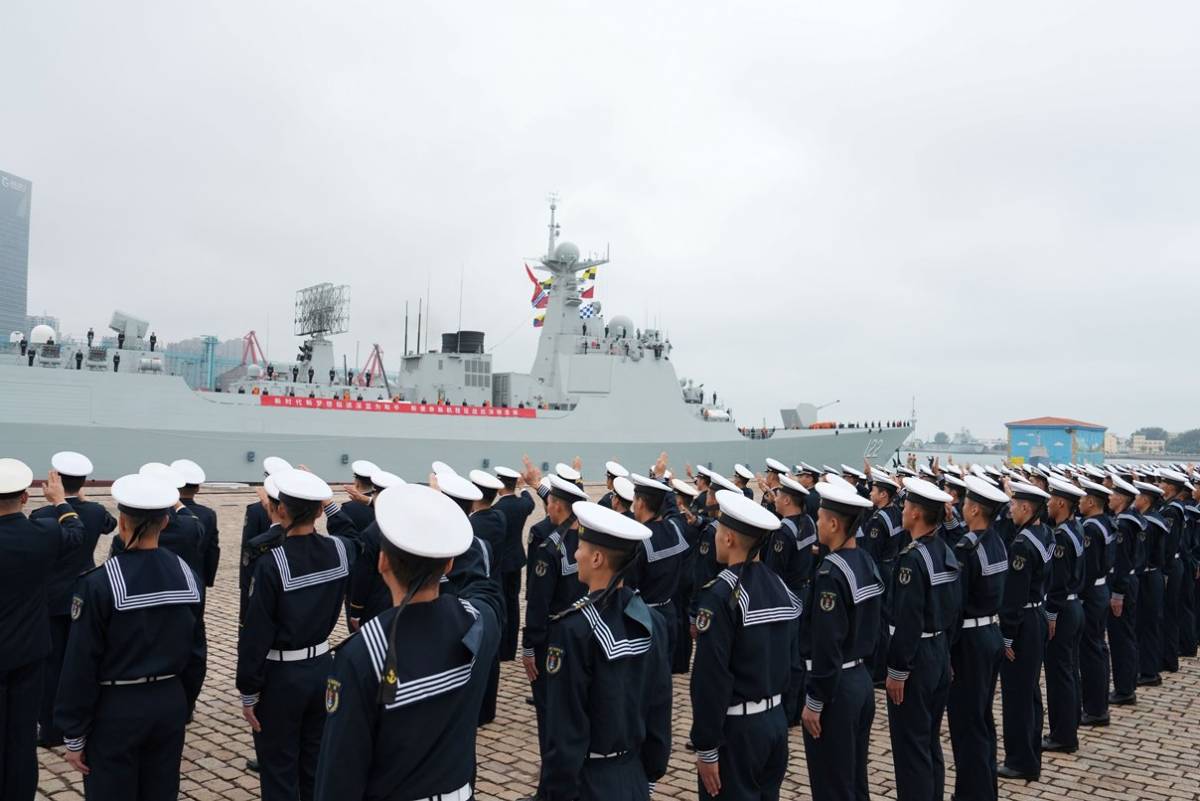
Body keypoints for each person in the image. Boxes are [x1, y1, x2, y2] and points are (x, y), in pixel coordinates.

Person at [313, 483, 502, 801]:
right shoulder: (480, 621)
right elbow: (483, 586)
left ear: (382, 562)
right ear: (449, 564)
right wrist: (442, 519)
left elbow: (340, 773)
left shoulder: (364, 654)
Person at [55, 472, 204, 801]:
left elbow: (81, 661)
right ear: (165, 523)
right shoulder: (188, 576)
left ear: (122, 522)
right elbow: (197, 653)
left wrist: (74, 731)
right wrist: (183, 701)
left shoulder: (98, 583)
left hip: (117, 708)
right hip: (169, 700)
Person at [237, 469, 356, 801]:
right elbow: (354, 534)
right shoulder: (341, 550)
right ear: (319, 511)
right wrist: (331, 505)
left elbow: (255, 633)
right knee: (314, 763)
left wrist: (248, 689)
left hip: (281, 677)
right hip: (323, 667)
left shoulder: (272, 563)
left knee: (278, 769)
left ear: (281, 510)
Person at [541, 502, 672, 800]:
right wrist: (649, 774)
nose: (575, 554)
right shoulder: (654, 622)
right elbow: (659, 706)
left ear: (597, 558)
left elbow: (565, 730)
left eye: (581, 548)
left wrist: (557, 791)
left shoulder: (573, 630)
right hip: (633, 773)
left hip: (588, 781)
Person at [690, 489, 799, 800]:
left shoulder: (720, 595)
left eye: (718, 531)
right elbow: (793, 661)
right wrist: (782, 714)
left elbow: (710, 677)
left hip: (737, 731)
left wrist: (707, 745)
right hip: (774, 722)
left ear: (729, 539)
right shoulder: (778, 585)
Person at [0, 462, 84, 800]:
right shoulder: (44, 533)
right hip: (28, 654)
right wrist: (60, 501)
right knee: (21, 739)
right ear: (24, 497)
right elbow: (77, 533)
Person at [29, 452, 116, 749]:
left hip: (51, 599)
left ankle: (51, 728)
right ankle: (86, 720)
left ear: (54, 480)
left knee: (51, 665)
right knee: (83, 659)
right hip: (84, 594)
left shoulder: (41, 516)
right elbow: (110, 524)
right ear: (83, 483)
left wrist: (65, 499)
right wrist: (78, 497)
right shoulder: (95, 511)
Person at [801, 481, 881, 801]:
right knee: (854, 779)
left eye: (820, 517)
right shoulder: (865, 562)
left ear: (834, 523)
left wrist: (815, 700)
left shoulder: (830, 574)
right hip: (859, 678)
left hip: (836, 689)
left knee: (831, 783)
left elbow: (826, 644)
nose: (816, 523)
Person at [885, 477, 961, 801]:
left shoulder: (912, 559)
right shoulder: (943, 550)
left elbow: (907, 619)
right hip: (939, 651)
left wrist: (898, 669)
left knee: (911, 747)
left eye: (906, 505)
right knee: (929, 741)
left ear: (916, 513)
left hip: (916, 658)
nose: (902, 510)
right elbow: (955, 608)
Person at [523, 474, 589, 799]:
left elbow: (537, 602)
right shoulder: (590, 543)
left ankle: (549, 789)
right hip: (583, 638)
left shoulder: (551, 547)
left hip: (552, 642)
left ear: (557, 506)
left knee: (549, 719)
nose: (546, 505)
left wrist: (528, 647)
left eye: (548, 500)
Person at [945, 475, 1009, 801]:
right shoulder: (996, 541)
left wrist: (948, 653)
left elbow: (956, 608)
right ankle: (986, 790)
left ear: (974, 510)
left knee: (967, 725)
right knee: (983, 719)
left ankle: (970, 794)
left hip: (970, 641)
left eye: (966, 504)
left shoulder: (967, 548)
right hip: (991, 633)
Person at [997, 481, 1054, 781]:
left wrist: (1007, 634)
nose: (1009, 510)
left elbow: (1013, 597)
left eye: (1013, 505)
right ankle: (1031, 756)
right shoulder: (1044, 533)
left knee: (1017, 694)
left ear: (1026, 509)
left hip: (1024, 621)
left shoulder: (1022, 544)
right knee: (1031, 691)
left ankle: (1020, 760)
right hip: (1038, 614)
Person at [1042, 478, 1087, 753]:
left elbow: (1057, 582)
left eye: (1050, 500)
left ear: (1060, 503)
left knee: (1060, 675)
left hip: (1062, 608)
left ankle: (1063, 735)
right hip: (1075, 605)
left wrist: (1051, 614)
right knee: (1070, 670)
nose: (1047, 504)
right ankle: (1070, 724)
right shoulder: (1075, 528)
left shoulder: (1060, 537)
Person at [627, 473, 689, 671]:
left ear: (642, 503)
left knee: (643, 676)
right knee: (663, 674)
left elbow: (628, 586)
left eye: (635, 500)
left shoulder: (639, 542)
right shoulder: (675, 528)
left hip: (644, 618)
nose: (633, 505)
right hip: (669, 613)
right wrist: (660, 478)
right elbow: (673, 510)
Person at [1076, 478, 1115, 726]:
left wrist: (1077, 595)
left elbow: (1087, 570)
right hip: (1102, 589)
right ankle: (1098, 704)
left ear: (1091, 502)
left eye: (1081, 499)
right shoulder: (1106, 523)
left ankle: (1095, 708)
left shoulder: (1090, 528)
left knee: (1091, 652)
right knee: (1098, 648)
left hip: (1091, 594)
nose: (1079, 503)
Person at [1107, 476, 1144, 706]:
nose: (1109, 498)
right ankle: (1126, 684)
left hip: (1123, 584)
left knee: (1121, 638)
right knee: (1126, 636)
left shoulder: (1123, 524)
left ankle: (1124, 689)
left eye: (1112, 494)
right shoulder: (1132, 519)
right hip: (1131, 581)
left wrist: (1117, 594)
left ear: (1122, 498)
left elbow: (1121, 562)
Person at [493, 465, 535, 661]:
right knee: (513, 603)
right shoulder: (522, 505)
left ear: (500, 484)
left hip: (500, 564)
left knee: (501, 604)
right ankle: (511, 649)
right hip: (516, 561)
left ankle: (501, 648)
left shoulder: (497, 509)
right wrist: (523, 486)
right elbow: (530, 502)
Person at [1158, 469, 1192, 669]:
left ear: (1170, 487)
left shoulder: (1172, 510)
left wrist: (1164, 569)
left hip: (1171, 566)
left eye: (1163, 483)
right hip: (1174, 564)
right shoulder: (1171, 506)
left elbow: (1169, 546)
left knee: (1169, 613)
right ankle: (1168, 656)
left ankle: (1169, 659)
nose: (1161, 485)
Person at [172, 459, 220, 589]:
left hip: (168, 575)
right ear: (197, 488)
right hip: (196, 577)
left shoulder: (165, 513)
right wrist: (208, 578)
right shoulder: (208, 514)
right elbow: (212, 549)